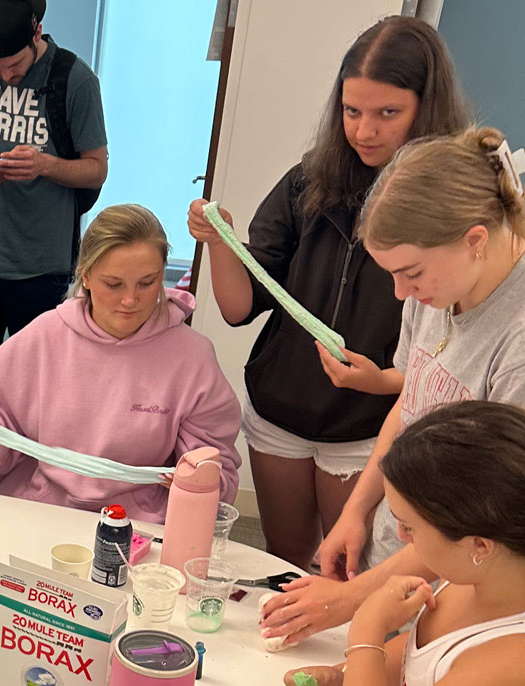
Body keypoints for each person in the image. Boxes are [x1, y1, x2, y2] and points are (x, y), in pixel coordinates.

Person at [186, 16, 469, 570]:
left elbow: (449, 355)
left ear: (425, 109)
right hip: (282, 409)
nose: (364, 131)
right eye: (351, 111)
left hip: (368, 424)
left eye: (388, 113)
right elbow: (240, 307)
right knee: (286, 560)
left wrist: (385, 381)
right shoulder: (305, 183)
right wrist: (220, 240)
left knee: (342, 568)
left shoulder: (450, 213)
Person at [261, 126, 525, 648]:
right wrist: (357, 512)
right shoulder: (436, 290)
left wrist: (351, 602)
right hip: (405, 550)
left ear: (474, 240)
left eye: (411, 273)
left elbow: (483, 514)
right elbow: (412, 403)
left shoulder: (516, 339)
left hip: (460, 586)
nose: (402, 294)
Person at [0, 205, 240, 520]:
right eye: (113, 284)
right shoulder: (42, 339)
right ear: (85, 275)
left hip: (136, 528)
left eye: (147, 283)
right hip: (38, 513)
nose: (130, 300)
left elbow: (216, 475)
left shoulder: (191, 358)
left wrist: (198, 482)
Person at [284, 402, 525, 686]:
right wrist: (343, 673)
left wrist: (367, 632)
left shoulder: (507, 664)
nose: (400, 535)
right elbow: (415, 654)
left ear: (480, 547)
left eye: (410, 527)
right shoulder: (471, 577)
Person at [0, 0, 107, 347]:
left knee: (37, 380)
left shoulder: (75, 80)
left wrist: (44, 165)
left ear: (37, 33)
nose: (7, 76)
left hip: (43, 266)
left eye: (15, 65)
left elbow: (96, 170)